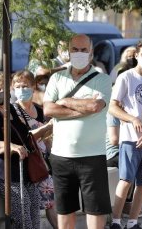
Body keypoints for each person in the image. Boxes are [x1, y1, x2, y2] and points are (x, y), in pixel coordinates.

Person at [43, 34, 112, 229]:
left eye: (84, 50)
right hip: (61, 157)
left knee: (96, 212)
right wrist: (82, 108)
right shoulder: (57, 78)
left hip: (93, 156)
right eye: (75, 49)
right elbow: (48, 110)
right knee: (65, 212)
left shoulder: (103, 79)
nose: (79, 53)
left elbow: (95, 107)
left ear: (91, 52)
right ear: (68, 52)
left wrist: (64, 102)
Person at [0, 71, 48, 229]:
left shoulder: (11, 110)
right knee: (23, 212)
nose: (1, 92)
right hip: (1, 170)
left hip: (22, 170)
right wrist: (11, 147)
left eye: (4, 89)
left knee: (35, 206)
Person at [109, 38, 142, 229]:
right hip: (130, 138)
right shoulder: (126, 77)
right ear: (136, 56)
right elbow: (113, 107)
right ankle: (115, 220)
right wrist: (132, 119)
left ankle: (132, 222)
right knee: (126, 180)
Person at [11, 70, 57, 228]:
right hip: (25, 163)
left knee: (49, 201)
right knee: (35, 205)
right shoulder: (14, 111)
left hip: (42, 162)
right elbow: (25, 138)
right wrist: (46, 129)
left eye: (25, 86)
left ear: (33, 87)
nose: (21, 90)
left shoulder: (40, 110)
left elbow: (48, 138)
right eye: (18, 86)